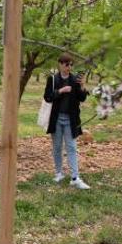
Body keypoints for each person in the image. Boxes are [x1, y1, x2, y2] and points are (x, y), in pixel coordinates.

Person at [44, 53, 91, 190]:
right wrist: (61, 91)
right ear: (60, 64)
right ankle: (59, 173)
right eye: (66, 64)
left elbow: (82, 98)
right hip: (57, 119)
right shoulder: (52, 79)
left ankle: (75, 177)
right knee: (57, 147)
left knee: (71, 147)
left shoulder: (75, 80)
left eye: (71, 64)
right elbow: (48, 97)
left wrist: (82, 86)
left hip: (71, 119)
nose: (69, 67)